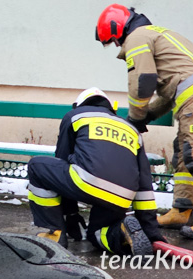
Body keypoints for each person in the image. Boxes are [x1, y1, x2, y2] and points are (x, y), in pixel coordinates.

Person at [96, 4, 193, 239]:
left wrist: (135, 117)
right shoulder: (154, 33)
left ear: (118, 30)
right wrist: (147, 115)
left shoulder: (137, 38)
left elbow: (143, 80)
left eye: (115, 41)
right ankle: (182, 209)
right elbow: (169, 90)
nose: (117, 46)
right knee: (184, 152)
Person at [27, 88, 164, 255]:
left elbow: (61, 162)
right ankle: (121, 231)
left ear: (78, 105)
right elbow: (144, 184)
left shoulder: (75, 116)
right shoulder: (132, 129)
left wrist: (70, 214)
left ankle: (55, 234)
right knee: (97, 233)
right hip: (121, 195)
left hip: (86, 182)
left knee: (37, 166)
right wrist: (151, 231)